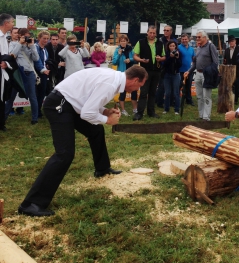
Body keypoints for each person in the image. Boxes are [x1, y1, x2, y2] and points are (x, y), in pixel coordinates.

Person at [18, 65, 148, 217]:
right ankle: (31, 204)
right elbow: (87, 112)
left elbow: (89, 102)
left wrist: (105, 111)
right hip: (59, 105)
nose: (137, 90)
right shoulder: (110, 83)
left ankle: (102, 168)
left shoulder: (114, 79)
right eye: (139, 86)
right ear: (135, 79)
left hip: (71, 105)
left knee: (96, 130)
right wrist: (107, 120)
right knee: (64, 154)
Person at [5, 28, 40, 125]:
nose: (26, 37)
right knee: (11, 97)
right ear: (20, 36)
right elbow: (12, 56)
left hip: (29, 73)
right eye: (24, 36)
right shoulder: (13, 44)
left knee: (32, 96)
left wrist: (32, 46)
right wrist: (20, 44)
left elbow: (36, 58)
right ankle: (3, 119)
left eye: (28, 35)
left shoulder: (30, 45)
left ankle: (35, 119)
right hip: (18, 74)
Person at [184, 30, 218, 121]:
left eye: (199, 37)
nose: (197, 39)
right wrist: (189, 71)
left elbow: (215, 62)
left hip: (207, 74)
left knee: (206, 96)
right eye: (196, 37)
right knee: (199, 96)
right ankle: (201, 114)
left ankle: (206, 117)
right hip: (198, 73)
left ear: (204, 37)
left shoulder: (211, 46)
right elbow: (195, 63)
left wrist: (210, 71)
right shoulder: (198, 48)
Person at [133, 26, 165, 120]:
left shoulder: (160, 43)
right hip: (145, 71)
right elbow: (135, 56)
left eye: (154, 33)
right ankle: (139, 113)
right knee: (143, 92)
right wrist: (141, 60)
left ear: (156, 34)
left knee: (153, 92)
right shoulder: (141, 42)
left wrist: (160, 58)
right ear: (147, 33)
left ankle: (151, 112)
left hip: (157, 71)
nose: (152, 35)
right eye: (150, 33)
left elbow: (164, 56)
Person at [112, 34, 137, 116]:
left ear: (127, 41)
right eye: (121, 41)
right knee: (123, 91)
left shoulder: (131, 49)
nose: (123, 42)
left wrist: (130, 59)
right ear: (119, 42)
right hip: (122, 73)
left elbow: (136, 59)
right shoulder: (117, 50)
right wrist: (119, 54)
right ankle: (123, 110)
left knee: (134, 91)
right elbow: (114, 62)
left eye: (124, 41)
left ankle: (135, 109)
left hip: (131, 73)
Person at [156, 25, 177, 108]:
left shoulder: (174, 40)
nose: (165, 32)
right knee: (161, 85)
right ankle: (159, 102)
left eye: (167, 30)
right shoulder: (160, 40)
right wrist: (160, 58)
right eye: (164, 30)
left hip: (172, 64)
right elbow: (157, 51)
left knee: (171, 85)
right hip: (163, 65)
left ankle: (170, 102)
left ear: (171, 32)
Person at [0, 14, 14, 131]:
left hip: (3, 70)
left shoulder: (6, 37)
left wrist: (7, 63)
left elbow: (8, 56)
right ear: (6, 23)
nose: (13, 24)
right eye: (11, 22)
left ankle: (1, 123)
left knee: (3, 97)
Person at [163, 41, 182, 115]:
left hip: (176, 75)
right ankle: (166, 109)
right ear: (168, 47)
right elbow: (165, 64)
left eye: (173, 46)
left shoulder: (178, 53)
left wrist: (177, 58)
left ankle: (177, 109)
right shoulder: (166, 53)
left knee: (176, 93)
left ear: (176, 46)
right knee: (167, 93)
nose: (172, 47)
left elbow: (180, 65)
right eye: (170, 46)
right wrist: (170, 58)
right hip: (167, 75)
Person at [34, 30, 50, 118]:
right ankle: (36, 112)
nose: (46, 40)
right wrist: (43, 69)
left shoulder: (45, 49)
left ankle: (38, 110)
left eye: (47, 38)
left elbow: (44, 61)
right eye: (44, 38)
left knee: (42, 93)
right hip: (37, 72)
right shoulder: (36, 47)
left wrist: (47, 66)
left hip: (44, 72)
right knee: (37, 93)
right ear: (39, 38)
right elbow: (37, 61)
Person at [223, 35, 239, 104]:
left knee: (236, 85)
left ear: (235, 41)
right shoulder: (227, 50)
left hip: (237, 70)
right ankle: (230, 98)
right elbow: (225, 60)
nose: (231, 43)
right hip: (229, 69)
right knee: (230, 85)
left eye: (232, 41)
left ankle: (235, 99)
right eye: (230, 42)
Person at [178, 33, 195, 106]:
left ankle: (189, 100)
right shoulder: (178, 47)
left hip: (189, 70)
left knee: (188, 86)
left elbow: (193, 58)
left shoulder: (191, 49)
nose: (184, 40)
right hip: (180, 70)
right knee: (179, 86)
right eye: (183, 39)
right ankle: (177, 100)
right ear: (181, 40)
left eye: (186, 39)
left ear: (188, 39)